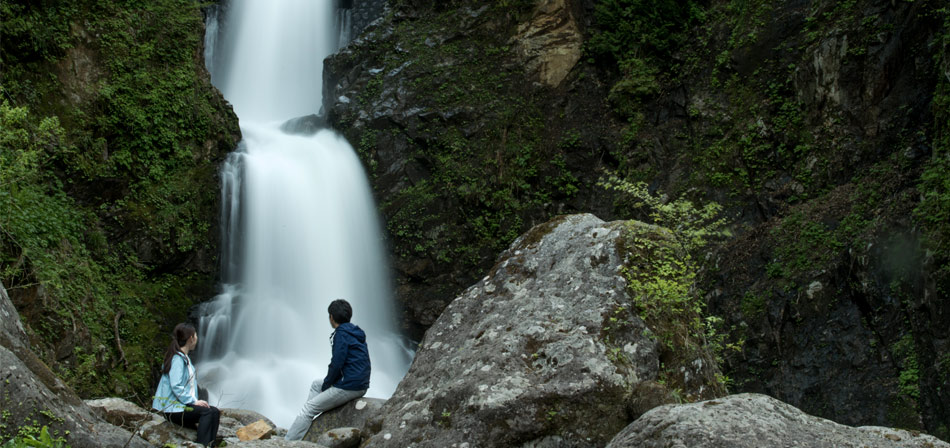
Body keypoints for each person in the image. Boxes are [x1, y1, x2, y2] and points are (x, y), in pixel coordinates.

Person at [285, 299, 371, 440]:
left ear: (331, 317)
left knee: (308, 409)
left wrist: (328, 383)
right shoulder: (355, 332)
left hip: (350, 386)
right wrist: (326, 383)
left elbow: (337, 363)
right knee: (315, 384)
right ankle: (306, 427)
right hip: (360, 382)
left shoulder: (341, 335)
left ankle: (289, 442)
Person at [152, 323, 221, 447]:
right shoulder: (177, 359)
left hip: (180, 407)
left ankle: (210, 445)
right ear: (191, 338)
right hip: (172, 409)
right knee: (207, 412)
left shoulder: (184, 358)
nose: (197, 339)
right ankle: (202, 445)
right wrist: (193, 401)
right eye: (196, 336)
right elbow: (176, 385)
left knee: (214, 411)